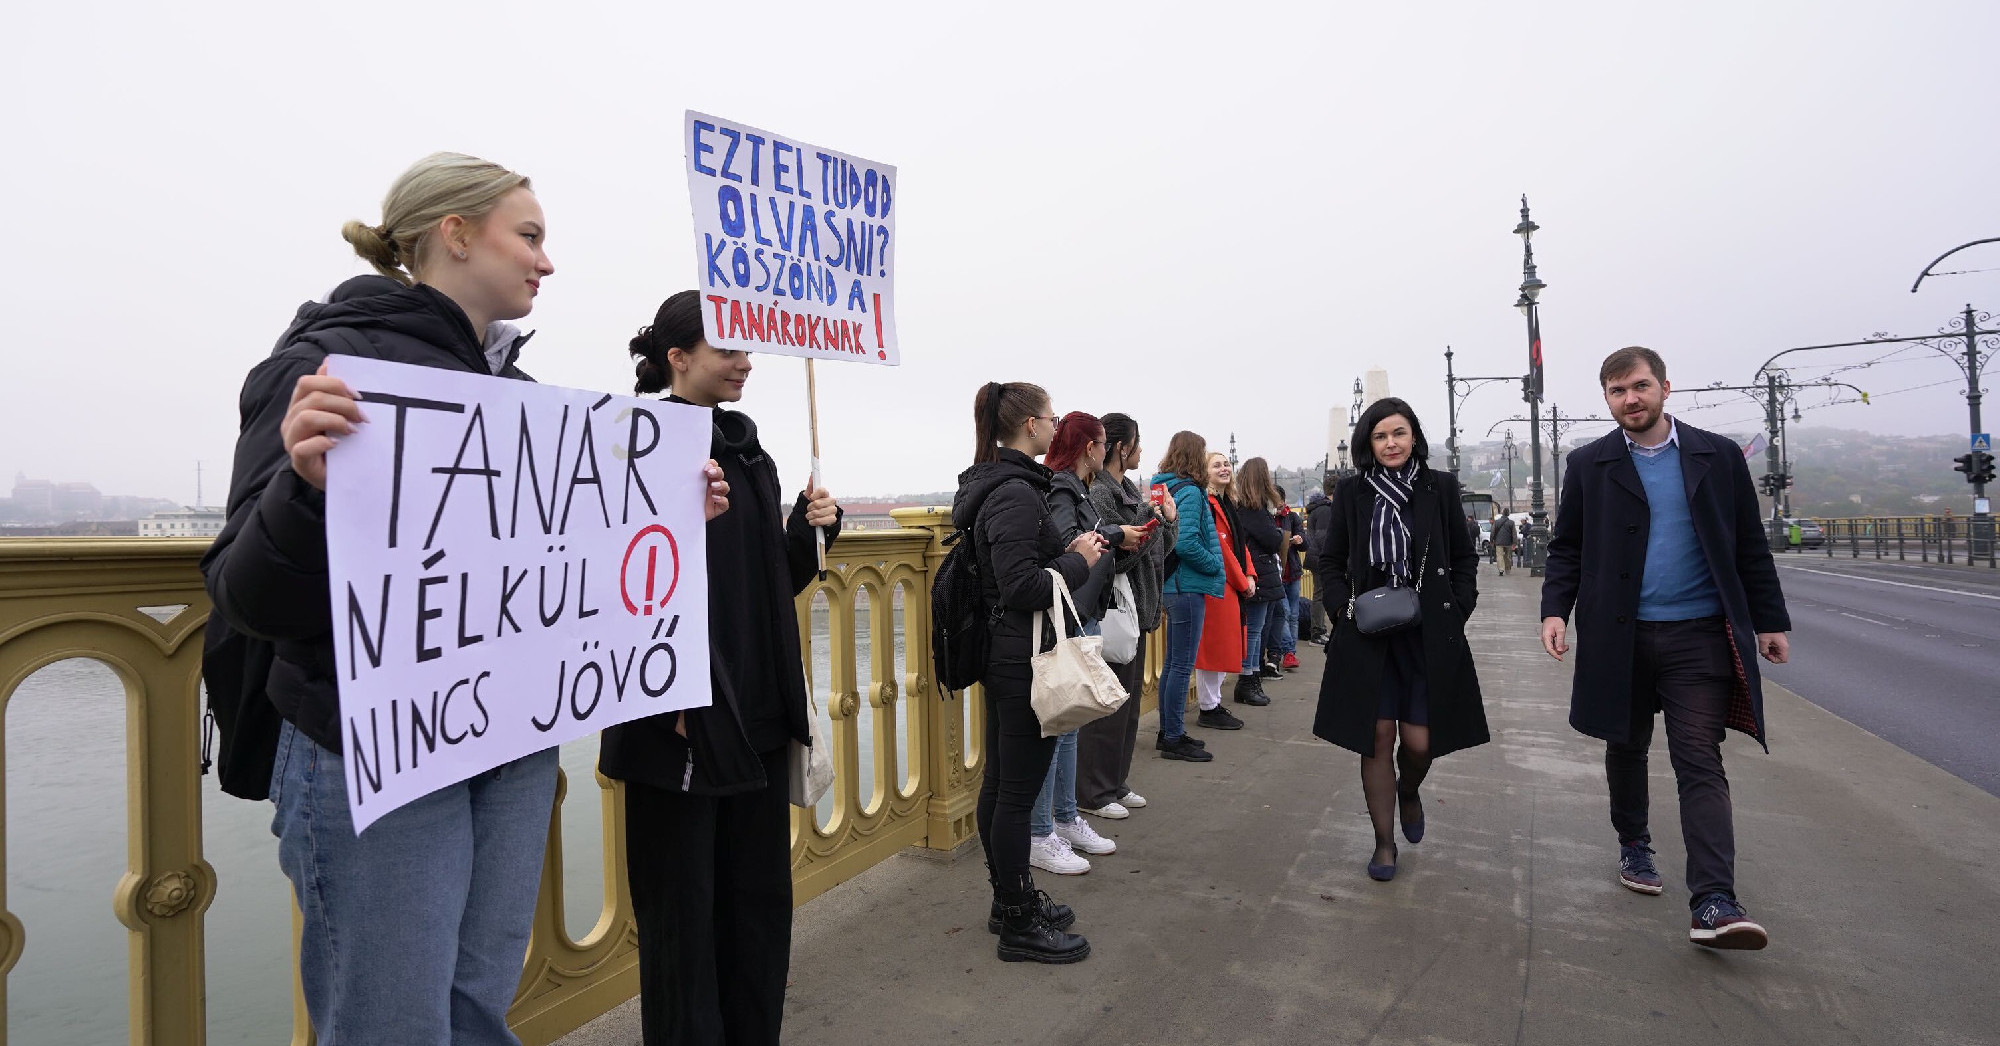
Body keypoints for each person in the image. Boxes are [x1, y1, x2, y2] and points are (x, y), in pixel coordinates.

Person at [201, 153, 729, 1044]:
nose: (546, 262)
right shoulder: (324, 368)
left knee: (478, 1006)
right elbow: (246, 595)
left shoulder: (517, 399)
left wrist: (673, 508)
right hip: (367, 745)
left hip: (505, 741)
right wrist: (304, 488)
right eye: (529, 236)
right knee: (392, 1023)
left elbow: (568, 571)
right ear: (454, 234)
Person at [603, 289, 842, 1045]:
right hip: (678, 719)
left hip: (758, 715)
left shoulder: (747, 448)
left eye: (747, 349)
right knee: (683, 922)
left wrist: (806, 537)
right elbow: (613, 584)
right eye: (728, 350)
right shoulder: (631, 444)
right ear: (678, 358)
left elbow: (763, 581)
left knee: (756, 907)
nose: (745, 363)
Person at [1540, 346, 1793, 950]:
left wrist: (1769, 621)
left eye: (1640, 387)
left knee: (1699, 759)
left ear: (1665, 388)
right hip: (1617, 634)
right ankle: (1635, 844)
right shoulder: (1590, 464)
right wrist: (1556, 609)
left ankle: (1714, 901)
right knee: (1625, 746)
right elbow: (1566, 547)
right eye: (1618, 391)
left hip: (1699, 636)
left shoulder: (1717, 455)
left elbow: (1748, 547)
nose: (1631, 399)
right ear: (1606, 399)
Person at [952, 382, 1104, 962]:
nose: (1054, 424)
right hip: (1024, 661)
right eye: (1051, 416)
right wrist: (1077, 558)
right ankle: (1018, 922)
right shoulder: (1016, 493)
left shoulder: (995, 483)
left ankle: (1007, 901)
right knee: (1016, 795)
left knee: (1001, 787)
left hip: (1006, 656)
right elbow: (1022, 585)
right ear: (1031, 427)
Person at [1313, 398, 1488, 882]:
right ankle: (1384, 844)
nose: (1391, 443)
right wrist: (1339, 610)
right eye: (1380, 436)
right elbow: (1331, 560)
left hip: (1427, 633)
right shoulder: (1351, 493)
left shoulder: (1440, 487)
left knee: (1419, 741)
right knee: (1376, 738)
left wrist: (1458, 609)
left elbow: (1462, 556)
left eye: (1399, 433)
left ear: (1414, 437)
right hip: (1368, 634)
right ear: (1368, 443)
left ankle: (1408, 791)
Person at [1029, 411, 1136, 874]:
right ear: (1090, 448)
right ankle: (1042, 829)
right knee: (1058, 723)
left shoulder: (1074, 488)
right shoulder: (1061, 488)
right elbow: (1067, 545)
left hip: (1082, 611)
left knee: (1070, 723)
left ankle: (1065, 817)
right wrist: (1114, 533)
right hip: (1068, 613)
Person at [1078, 412, 1176, 819]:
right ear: (1122, 448)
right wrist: (1141, 533)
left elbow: (1159, 551)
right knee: (1107, 705)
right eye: (1137, 444)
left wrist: (1167, 520)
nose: (1141, 451)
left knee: (1128, 703)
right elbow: (1112, 560)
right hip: (1117, 609)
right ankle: (1095, 792)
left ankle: (1115, 782)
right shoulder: (1101, 494)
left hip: (1140, 608)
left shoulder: (1130, 492)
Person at [1149, 433, 1220, 763]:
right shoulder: (1191, 491)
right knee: (1181, 665)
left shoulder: (1164, 487)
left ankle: (1169, 731)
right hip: (1186, 586)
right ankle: (1174, 737)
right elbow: (1186, 543)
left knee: (1172, 665)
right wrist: (1216, 563)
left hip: (1170, 585)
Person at [1194, 453, 1258, 726]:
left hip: (1227, 584)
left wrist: (1251, 574)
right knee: (1214, 648)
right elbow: (1222, 548)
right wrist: (1244, 581)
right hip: (1218, 584)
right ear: (1204, 472)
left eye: (1226, 464)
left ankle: (1213, 703)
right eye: (1216, 465)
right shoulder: (1208, 504)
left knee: (1222, 646)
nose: (1224, 468)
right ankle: (1209, 707)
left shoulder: (1224, 502)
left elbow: (1238, 545)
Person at [1230, 457, 1288, 700]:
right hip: (1259, 573)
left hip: (1256, 572)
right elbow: (1274, 541)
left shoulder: (1242, 507)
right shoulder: (1254, 510)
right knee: (1254, 630)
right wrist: (1276, 531)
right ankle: (1247, 679)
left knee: (1255, 629)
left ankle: (1251, 676)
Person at [1274, 487, 1308, 670]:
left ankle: (1290, 652)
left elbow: (1305, 542)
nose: (1276, 505)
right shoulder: (1267, 518)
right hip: (1277, 575)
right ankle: (1287, 650)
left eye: (1278, 500)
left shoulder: (1293, 518)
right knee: (1285, 613)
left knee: (1293, 615)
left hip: (1292, 572)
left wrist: (1300, 539)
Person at [1304, 483, 1336, 644]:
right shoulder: (1325, 510)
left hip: (1315, 555)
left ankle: (1318, 629)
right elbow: (1323, 537)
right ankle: (1317, 631)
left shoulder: (1318, 509)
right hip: (1321, 557)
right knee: (1320, 595)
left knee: (1319, 593)